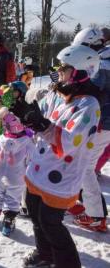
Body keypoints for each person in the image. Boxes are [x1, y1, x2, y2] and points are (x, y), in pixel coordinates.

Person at [20, 44, 101, 268]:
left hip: (62, 175)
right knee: (35, 213)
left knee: (50, 223)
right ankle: (45, 254)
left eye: (63, 68)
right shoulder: (58, 93)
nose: (58, 72)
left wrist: (42, 124)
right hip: (39, 169)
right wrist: (24, 111)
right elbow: (38, 114)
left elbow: (68, 142)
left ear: (81, 72)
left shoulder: (88, 105)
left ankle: (67, 264)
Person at [69, 27, 109, 232]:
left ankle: (96, 215)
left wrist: (74, 86)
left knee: (85, 167)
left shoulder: (102, 63)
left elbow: (96, 92)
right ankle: (77, 202)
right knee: (80, 164)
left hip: (103, 123)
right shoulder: (101, 59)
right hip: (100, 121)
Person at [0, 113, 35, 236]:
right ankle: (8, 223)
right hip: (16, 177)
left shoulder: (0, 138)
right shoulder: (27, 142)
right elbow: (31, 160)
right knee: (13, 199)